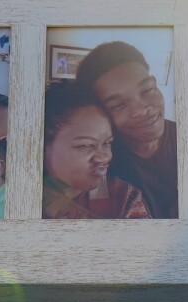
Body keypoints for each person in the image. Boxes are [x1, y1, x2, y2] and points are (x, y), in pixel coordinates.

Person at [75, 41, 178, 219]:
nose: (141, 110)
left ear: (154, 82)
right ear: (100, 114)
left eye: (147, 90)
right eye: (119, 105)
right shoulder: (101, 166)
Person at [42, 81, 150, 219]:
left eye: (107, 143)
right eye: (86, 145)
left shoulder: (123, 198)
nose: (104, 158)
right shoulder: (16, 194)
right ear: (44, 145)